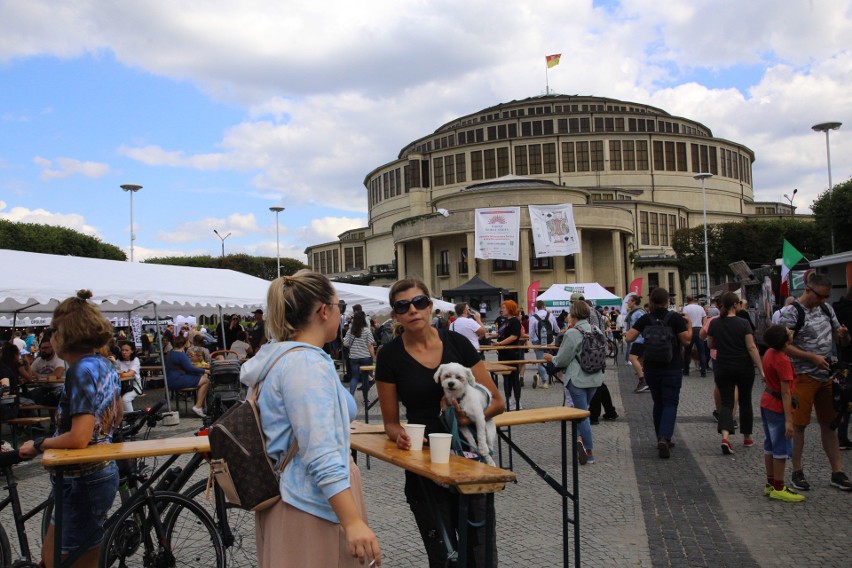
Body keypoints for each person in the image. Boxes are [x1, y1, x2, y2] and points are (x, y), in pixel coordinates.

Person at [239, 271, 381, 567]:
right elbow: (320, 451)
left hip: (296, 497)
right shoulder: (304, 364)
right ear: (324, 310)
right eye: (338, 304)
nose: (341, 312)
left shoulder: (280, 358)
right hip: (311, 503)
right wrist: (352, 521)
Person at [375, 278, 503, 567]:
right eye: (402, 306)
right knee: (443, 554)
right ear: (395, 314)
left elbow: (496, 401)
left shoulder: (457, 343)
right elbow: (391, 423)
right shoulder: (389, 356)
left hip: (470, 461)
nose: (413, 310)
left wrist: (469, 417)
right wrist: (401, 436)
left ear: (431, 306)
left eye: (419, 302)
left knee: (480, 552)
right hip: (425, 464)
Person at [19, 290, 122, 568]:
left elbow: (79, 437)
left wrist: (38, 444)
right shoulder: (106, 365)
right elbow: (118, 415)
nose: (49, 337)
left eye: (52, 330)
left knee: (66, 560)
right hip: (98, 471)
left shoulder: (79, 371)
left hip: (82, 477)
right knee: (65, 556)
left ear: (63, 334)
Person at [778, 274, 852, 491]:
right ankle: (797, 471)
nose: (823, 300)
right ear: (809, 290)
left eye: (826, 296)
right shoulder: (792, 313)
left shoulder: (827, 309)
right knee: (799, 425)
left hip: (826, 376)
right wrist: (812, 358)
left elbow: (843, 340)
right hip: (802, 376)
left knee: (830, 424)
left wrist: (843, 336)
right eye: (820, 296)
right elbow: (782, 345)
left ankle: (837, 471)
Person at [624, 287, 691, 459]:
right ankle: (665, 437)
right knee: (670, 403)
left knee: (658, 402)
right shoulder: (675, 318)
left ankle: (660, 438)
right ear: (667, 301)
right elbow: (687, 340)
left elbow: (629, 337)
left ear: (651, 301)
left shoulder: (646, 318)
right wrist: (689, 325)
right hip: (672, 366)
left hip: (652, 367)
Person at [543, 300, 604, 465]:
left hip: (577, 379)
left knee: (582, 415)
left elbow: (562, 360)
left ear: (574, 314)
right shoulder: (596, 329)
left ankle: (588, 450)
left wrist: (551, 358)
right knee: (583, 412)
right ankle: (579, 440)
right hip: (595, 378)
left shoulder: (572, 333)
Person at [705, 292, 764, 454]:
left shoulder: (715, 323)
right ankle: (747, 437)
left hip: (723, 366)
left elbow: (710, 344)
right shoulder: (743, 323)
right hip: (743, 367)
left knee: (726, 403)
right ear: (736, 305)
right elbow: (751, 347)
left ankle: (725, 437)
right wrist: (761, 369)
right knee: (745, 401)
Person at [759, 324, 805, 502]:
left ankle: (770, 483)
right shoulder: (783, 360)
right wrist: (788, 420)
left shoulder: (770, 353)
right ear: (785, 342)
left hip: (767, 401)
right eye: (788, 332)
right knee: (781, 448)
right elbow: (786, 392)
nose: (790, 331)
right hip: (778, 406)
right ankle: (779, 486)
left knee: (769, 445)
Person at [165, 335, 210, 418]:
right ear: (185, 344)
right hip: (177, 380)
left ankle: (202, 407)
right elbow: (190, 368)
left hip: (170, 380)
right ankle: (198, 406)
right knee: (206, 381)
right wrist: (205, 370)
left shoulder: (171, 352)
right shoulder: (181, 354)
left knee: (201, 378)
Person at [832, 287, 852, 450]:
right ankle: (842, 437)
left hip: (843, 361)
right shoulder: (849, 312)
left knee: (845, 399)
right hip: (849, 359)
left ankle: (842, 436)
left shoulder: (838, 309)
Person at [495, 299, 523, 411]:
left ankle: (517, 401)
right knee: (506, 378)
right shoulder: (505, 321)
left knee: (513, 378)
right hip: (503, 353)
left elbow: (514, 336)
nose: (502, 310)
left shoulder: (515, 321)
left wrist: (500, 343)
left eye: (504, 308)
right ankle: (508, 400)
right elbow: (502, 334)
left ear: (510, 308)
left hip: (511, 353)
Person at [343, 310, 377, 396]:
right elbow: (370, 345)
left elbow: (345, 343)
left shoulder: (351, 330)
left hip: (354, 357)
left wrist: (353, 347)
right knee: (365, 378)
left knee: (354, 377)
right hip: (365, 357)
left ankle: (351, 396)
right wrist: (373, 357)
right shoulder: (367, 330)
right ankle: (365, 400)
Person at [529, 300, 558, 389]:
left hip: (537, 341)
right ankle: (545, 377)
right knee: (549, 359)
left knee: (540, 360)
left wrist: (533, 341)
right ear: (544, 306)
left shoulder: (533, 317)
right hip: (549, 341)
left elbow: (531, 333)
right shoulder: (551, 315)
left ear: (537, 307)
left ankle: (544, 381)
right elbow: (556, 329)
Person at [623, 294, 648, 393]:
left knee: (632, 358)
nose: (627, 302)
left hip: (639, 339)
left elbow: (643, 325)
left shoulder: (638, 313)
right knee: (641, 360)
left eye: (629, 301)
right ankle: (647, 380)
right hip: (637, 339)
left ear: (634, 302)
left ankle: (642, 380)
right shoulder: (633, 312)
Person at [681, 295, 707, 377]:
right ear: (694, 300)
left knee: (687, 351)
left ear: (687, 300)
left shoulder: (686, 308)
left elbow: (684, 319)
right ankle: (703, 371)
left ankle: (686, 370)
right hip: (699, 329)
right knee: (702, 351)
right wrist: (703, 327)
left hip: (690, 329)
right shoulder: (700, 307)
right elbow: (705, 318)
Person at [117, 341, 142, 412]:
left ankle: (131, 419)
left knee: (125, 399)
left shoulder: (135, 360)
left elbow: (131, 373)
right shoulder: (118, 361)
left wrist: (119, 374)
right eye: (122, 350)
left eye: (126, 350)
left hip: (134, 386)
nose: (124, 352)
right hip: (121, 387)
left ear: (132, 351)